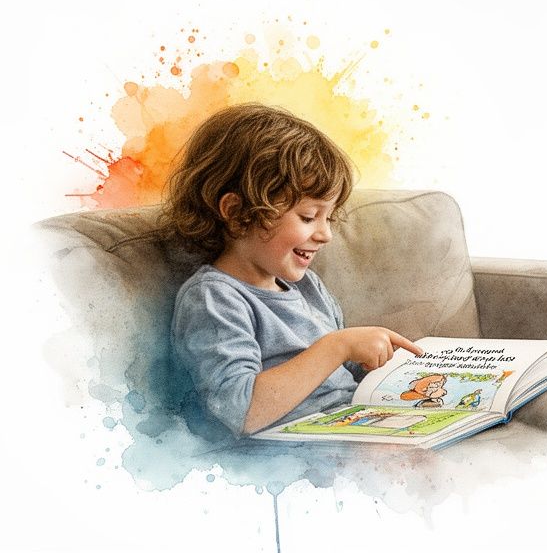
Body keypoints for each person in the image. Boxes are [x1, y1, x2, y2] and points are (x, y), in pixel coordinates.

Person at [163, 103, 423, 437]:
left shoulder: (309, 288)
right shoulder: (214, 298)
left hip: (348, 427)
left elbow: (341, 379)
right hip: (285, 455)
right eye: (308, 216)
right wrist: (337, 346)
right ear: (237, 212)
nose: (325, 234)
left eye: (328, 217)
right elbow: (239, 411)